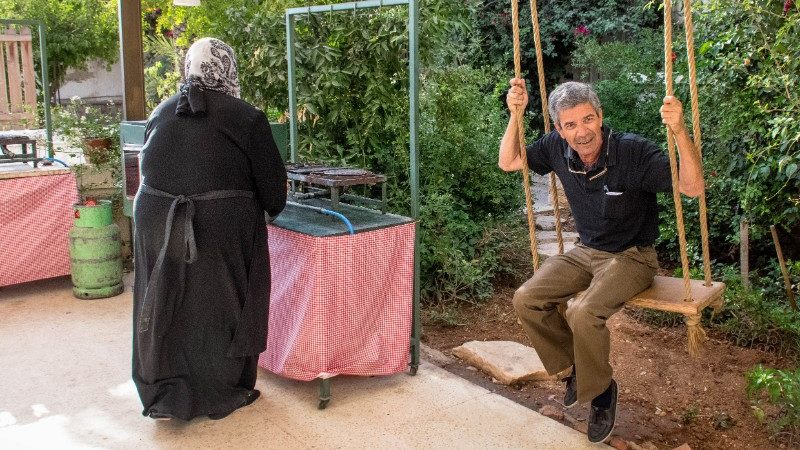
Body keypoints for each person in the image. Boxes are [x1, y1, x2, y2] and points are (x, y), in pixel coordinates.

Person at [498, 79, 703, 443]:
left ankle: (601, 392)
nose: (582, 132)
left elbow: (692, 187)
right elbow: (509, 161)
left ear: (600, 116)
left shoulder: (633, 152)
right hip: (586, 250)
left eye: (588, 119)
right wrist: (516, 114)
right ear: (559, 130)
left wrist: (679, 131)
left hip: (632, 256)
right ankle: (576, 369)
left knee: (582, 312)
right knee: (526, 299)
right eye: (571, 125)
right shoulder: (555, 149)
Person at [132, 37, 287, 421]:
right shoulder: (246, 117)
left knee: (166, 298)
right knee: (222, 305)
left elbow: (149, 165)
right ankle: (223, 390)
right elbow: (274, 196)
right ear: (229, 69)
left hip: (153, 217)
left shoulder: (162, 110)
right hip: (216, 225)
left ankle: (161, 389)